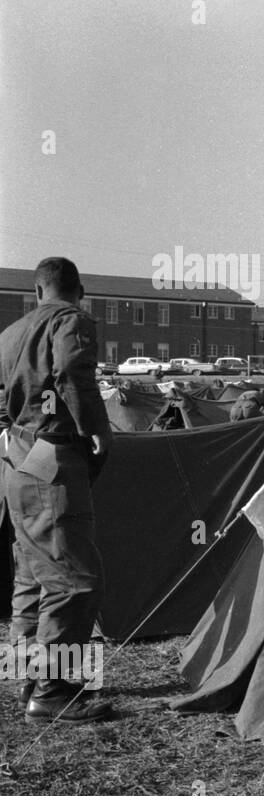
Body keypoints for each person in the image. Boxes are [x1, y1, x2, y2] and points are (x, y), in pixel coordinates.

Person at [0, 258, 114, 723]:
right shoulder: (72, 321)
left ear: (36, 290)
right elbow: (71, 369)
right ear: (80, 290)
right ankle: (53, 692)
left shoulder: (11, 333)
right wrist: (98, 430)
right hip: (53, 452)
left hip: (20, 456)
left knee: (31, 574)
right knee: (74, 580)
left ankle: (26, 676)